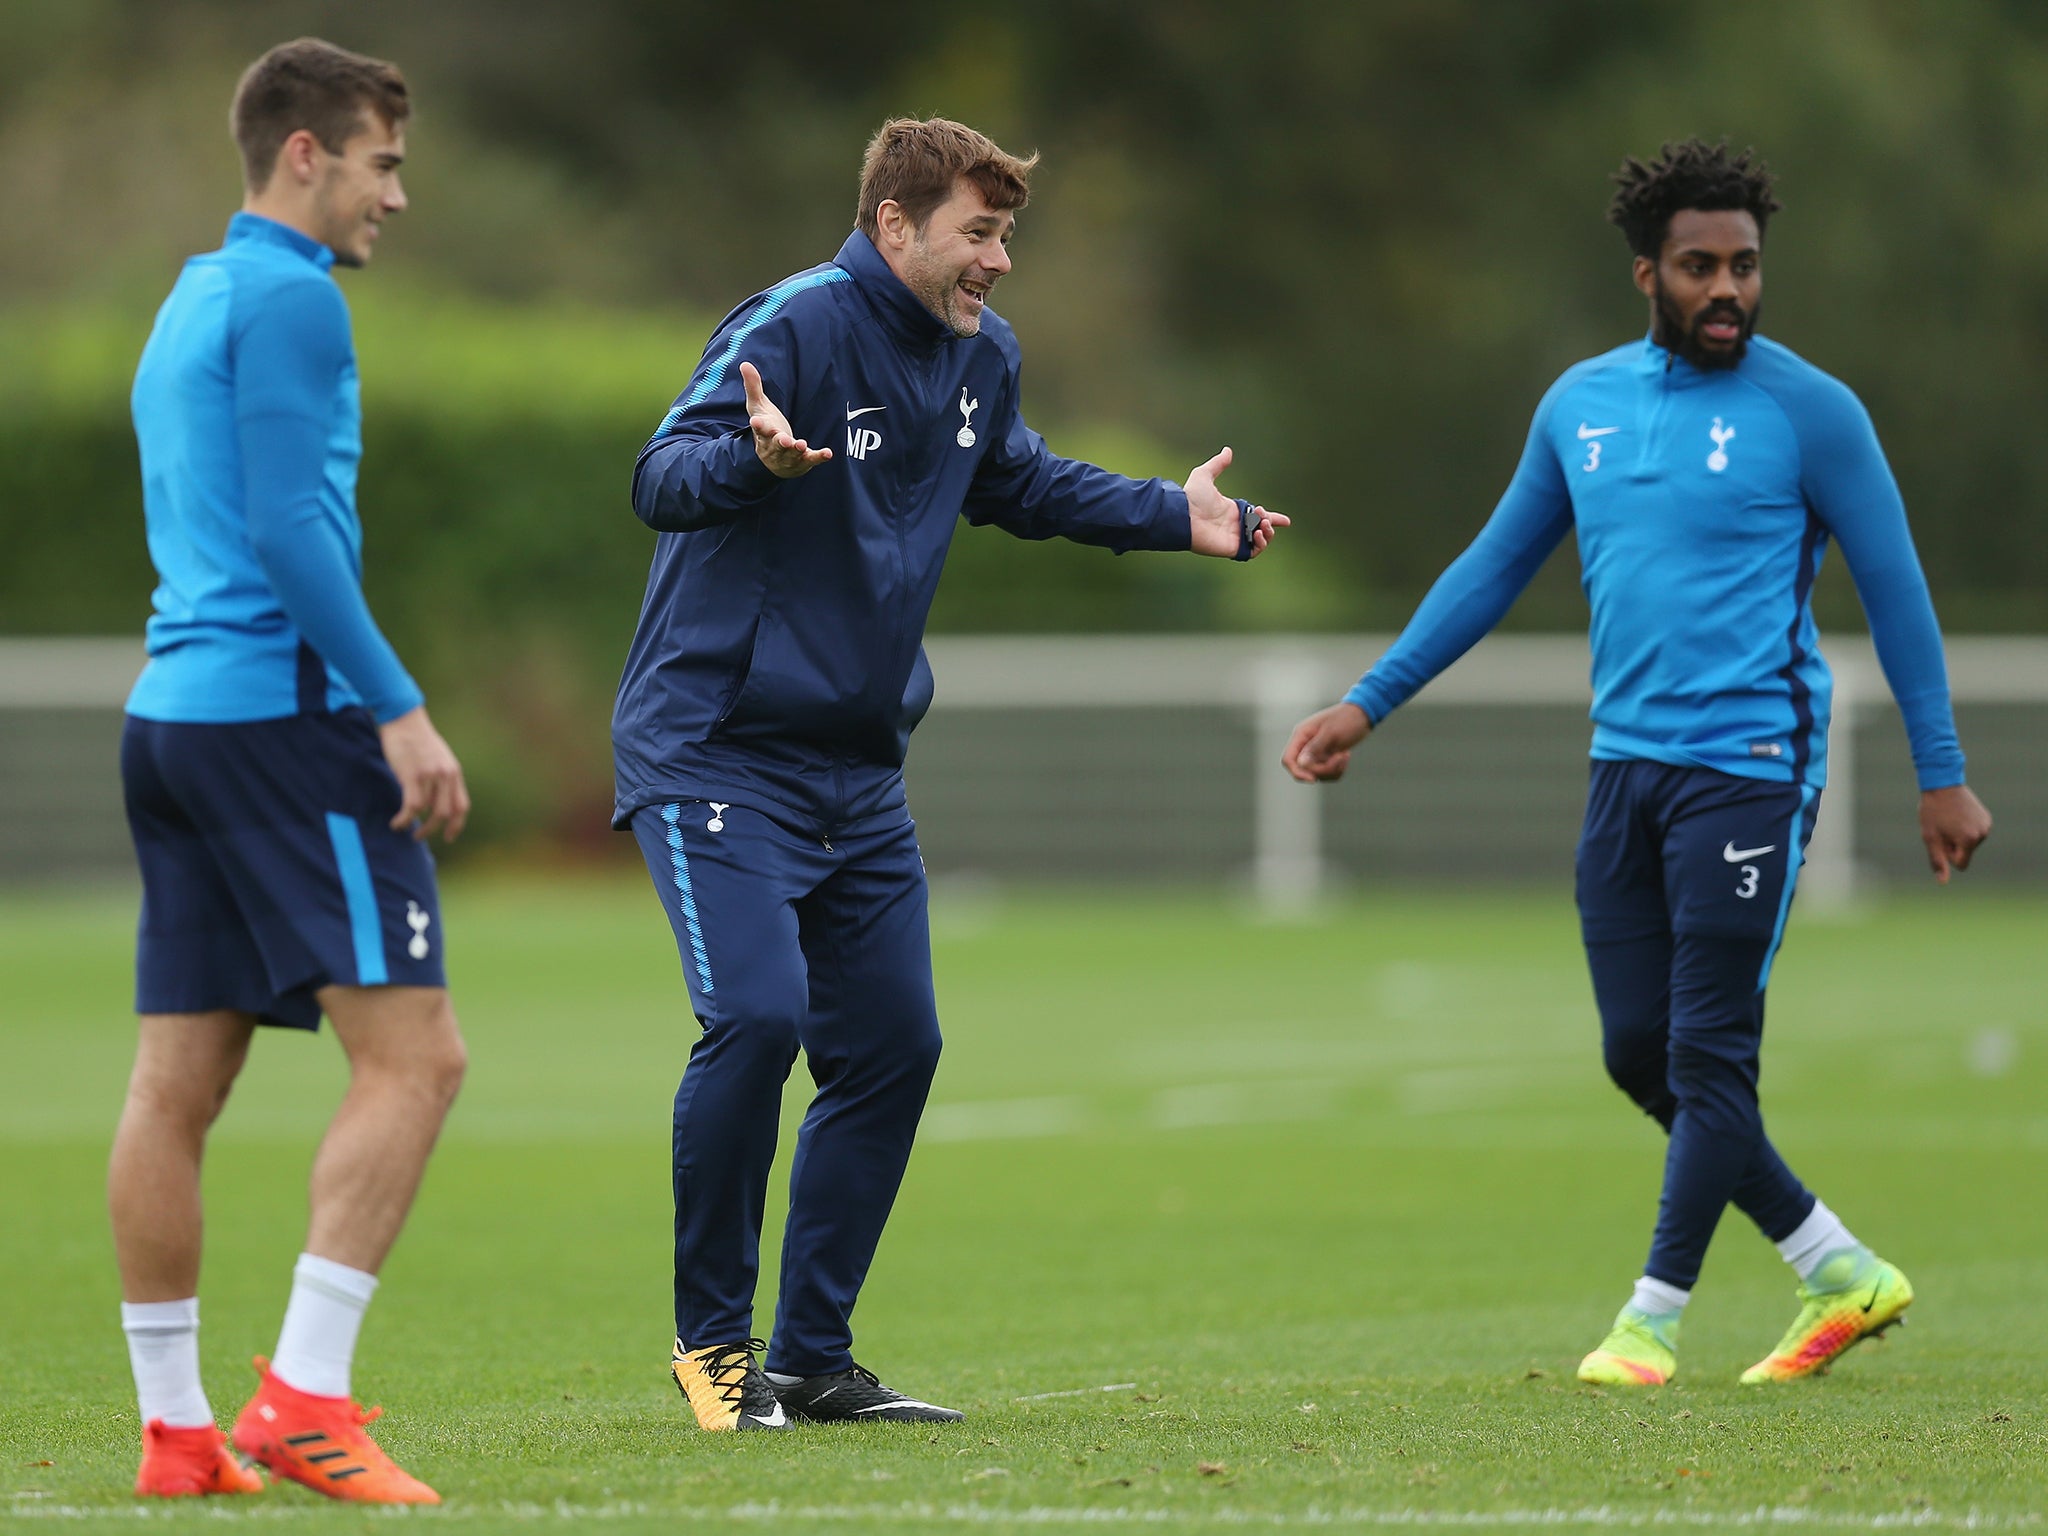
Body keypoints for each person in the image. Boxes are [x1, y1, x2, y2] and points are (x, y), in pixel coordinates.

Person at [1282, 139, 1990, 1388]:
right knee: (1635, 1054)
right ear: (1645, 275)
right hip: (1624, 769)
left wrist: (1939, 770)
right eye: (1698, 267)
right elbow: (1493, 566)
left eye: (1745, 267)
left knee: (1707, 1057)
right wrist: (1368, 701)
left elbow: (1896, 592)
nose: (1727, 289)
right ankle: (1838, 1268)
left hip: (1750, 769)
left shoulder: (1810, 412)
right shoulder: (1580, 406)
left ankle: (1648, 1323)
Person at [615, 116, 1286, 1431]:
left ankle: (811, 1360)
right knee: (756, 1021)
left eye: (1007, 236)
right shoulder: (796, 326)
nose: (999, 260)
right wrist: (750, 464)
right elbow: (658, 477)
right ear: (893, 226)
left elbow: (1017, 482)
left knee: (896, 1047)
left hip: (854, 771)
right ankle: (716, 1355)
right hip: (716, 746)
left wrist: (1173, 512)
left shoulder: (986, 357)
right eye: (979, 233)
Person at [114, 38, 468, 1501]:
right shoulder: (291, 299)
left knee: (175, 1082)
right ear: (307, 153)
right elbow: (288, 531)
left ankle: (175, 1431)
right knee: (418, 1058)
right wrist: (397, 708)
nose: (397, 194)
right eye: (383, 161)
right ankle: (301, 1400)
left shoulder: (191, 296)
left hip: (171, 721)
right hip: (283, 724)